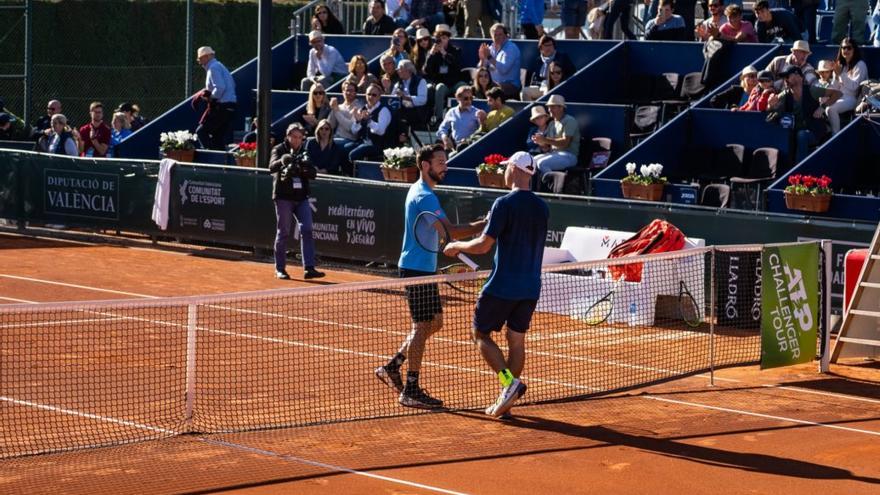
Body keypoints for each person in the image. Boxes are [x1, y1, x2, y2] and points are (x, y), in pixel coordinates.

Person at [375, 143, 486, 409]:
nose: (444, 166)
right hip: (415, 269)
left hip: (423, 267)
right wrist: (486, 225)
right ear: (425, 166)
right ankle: (411, 388)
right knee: (422, 326)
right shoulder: (424, 196)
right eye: (439, 162)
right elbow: (451, 233)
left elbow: (441, 234)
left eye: (445, 162)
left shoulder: (424, 193)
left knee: (434, 322)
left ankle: (393, 366)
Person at [443, 150, 548, 418]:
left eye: (505, 168)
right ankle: (507, 398)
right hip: (530, 286)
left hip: (502, 285)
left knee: (479, 334)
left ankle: (508, 382)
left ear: (514, 170)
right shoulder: (542, 207)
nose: (502, 172)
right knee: (516, 340)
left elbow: (482, 245)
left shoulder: (504, 204)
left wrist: (456, 246)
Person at [269, 123, 326, 281]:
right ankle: (280, 269)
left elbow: (313, 173)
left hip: (301, 198)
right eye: (293, 137)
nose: (296, 140)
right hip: (283, 197)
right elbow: (271, 167)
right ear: (287, 136)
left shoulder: (304, 151)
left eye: (299, 137)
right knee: (284, 232)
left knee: (307, 229)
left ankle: (309, 268)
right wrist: (283, 162)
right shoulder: (279, 149)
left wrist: (303, 169)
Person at [766, 65, 842, 162]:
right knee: (789, 135)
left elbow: (838, 94)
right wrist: (770, 105)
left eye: (787, 76)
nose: (785, 80)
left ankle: (799, 170)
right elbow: (770, 110)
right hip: (794, 130)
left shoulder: (812, 90)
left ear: (798, 77)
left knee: (802, 135)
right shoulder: (785, 94)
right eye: (784, 77)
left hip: (814, 130)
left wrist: (822, 108)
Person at [195, 46, 237, 150]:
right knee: (217, 138)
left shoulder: (213, 68)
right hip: (230, 106)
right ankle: (219, 161)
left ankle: (210, 158)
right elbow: (231, 84)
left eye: (200, 58)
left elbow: (220, 87)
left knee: (201, 131)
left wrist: (211, 97)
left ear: (207, 57)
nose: (199, 61)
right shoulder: (219, 66)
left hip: (222, 106)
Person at [424, 24, 465, 122]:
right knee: (440, 88)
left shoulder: (456, 50)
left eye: (444, 38)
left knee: (463, 86)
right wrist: (431, 55)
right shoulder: (433, 51)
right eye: (439, 38)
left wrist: (444, 53)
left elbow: (456, 65)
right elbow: (426, 70)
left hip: (454, 82)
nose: (442, 40)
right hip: (442, 83)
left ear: (448, 38)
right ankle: (439, 119)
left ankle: (463, 115)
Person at [532, 94, 580, 176]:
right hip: (553, 154)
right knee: (532, 161)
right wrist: (541, 143)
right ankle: (536, 186)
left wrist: (545, 139)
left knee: (542, 163)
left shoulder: (570, 120)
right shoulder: (551, 123)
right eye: (549, 107)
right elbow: (548, 147)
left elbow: (565, 143)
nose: (549, 110)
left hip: (569, 156)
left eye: (553, 107)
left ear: (561, 108)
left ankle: (553, 186)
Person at [827, 39, 868, 134]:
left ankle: (835, 138)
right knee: (822, 105)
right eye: (843, 48)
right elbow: (835, 87)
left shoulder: (860, 65)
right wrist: (836, 76)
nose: (846, 50)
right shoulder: (840, 65)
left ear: (854, 50)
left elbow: (854, 87)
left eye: (849, 48)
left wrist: (840, 74)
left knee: (831, 109)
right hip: (840, 97)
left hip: (855, 99)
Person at [349, 82, 394, 162]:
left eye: (374, 95)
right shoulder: (363, 109)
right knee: (345, 148)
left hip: (378, 145)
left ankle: (355, 173)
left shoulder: (383, 110)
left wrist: (369, 121)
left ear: (379, 96)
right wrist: (357, 121)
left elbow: (381, 131)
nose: (371, 97)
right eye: (368, 94)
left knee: (353, 154)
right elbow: (353, 131)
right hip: (363, 142)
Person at [521, 35, 575, 101]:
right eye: (545, 45)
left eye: (550, 45)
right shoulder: (538, 60)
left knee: (547, 90)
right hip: (540, 86)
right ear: (541, 48)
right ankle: (531, 110)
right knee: (525, 91)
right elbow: (532, 76)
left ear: (554, 46)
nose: (548, 48)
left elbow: (572, 72)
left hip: (556, 85)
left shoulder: (562, 58)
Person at [328, 81, 365, 175]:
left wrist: (336, 111)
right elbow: (330, 125)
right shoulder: (339, 107)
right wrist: (333, 110)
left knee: (337, 146)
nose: (348, 93)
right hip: (336, 137)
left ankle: (336, 172)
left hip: (350, 139)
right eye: (346, 90)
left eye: (351, 90)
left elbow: (351, 128)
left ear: (355, 92)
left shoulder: (359, 106)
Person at [478, 23, 522, 100]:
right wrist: (482, 59)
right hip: (492, 84)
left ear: (505, 35)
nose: (498, 37)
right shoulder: (490, 49)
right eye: (495, 35)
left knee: (494, 90)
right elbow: (482, 70)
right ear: (492, 37)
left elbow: (503, 70)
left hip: (510, 85)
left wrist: (489, 57)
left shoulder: (511, 48)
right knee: (476, 87)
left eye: (500, 34)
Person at [437, 85, 484, 152]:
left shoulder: (477, 112)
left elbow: (482, 131)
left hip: (471, 146)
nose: (469, 101)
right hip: (454, 147)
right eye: (466, 98)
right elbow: (442, 128)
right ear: (457, 98)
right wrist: (445, 138)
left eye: (471, 98)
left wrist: (482, 121)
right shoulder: (451, 112)